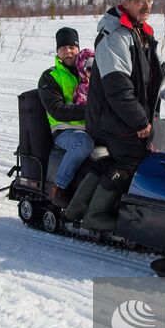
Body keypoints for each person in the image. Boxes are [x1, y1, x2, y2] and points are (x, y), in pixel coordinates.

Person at [66, 0, 165, 230]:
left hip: (128, 115)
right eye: (140, 1)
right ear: (125, 3)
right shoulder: (115, 36)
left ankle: (78, 207)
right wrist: (140, 121)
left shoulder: (143, 33)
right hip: (111, 119)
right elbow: (117, 88)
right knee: (136, 158)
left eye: (150, 1)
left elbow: (159, 73)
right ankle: (95, 215)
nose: (147, 6)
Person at [37, 26, 94, 205]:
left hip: (92, 127)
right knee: (83, 143)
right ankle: (59, 187)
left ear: (78, 48)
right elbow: (57, 110)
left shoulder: (88, 71)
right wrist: (91, 111)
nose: (68, 52)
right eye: (63, 48)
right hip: (65, 131)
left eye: (72, 47)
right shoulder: (50, 77)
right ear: (57, 52)